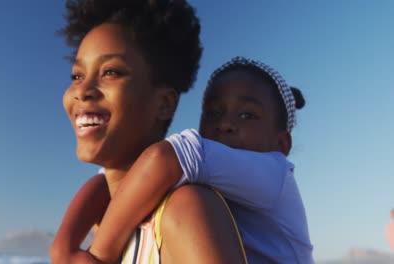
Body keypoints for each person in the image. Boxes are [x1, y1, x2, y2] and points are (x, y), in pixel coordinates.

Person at [53, 56, 314, 263]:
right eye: (212, 113)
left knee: (183, 201)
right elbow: (106, 183)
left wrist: (100, 255)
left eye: (246, 115)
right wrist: (63, 247)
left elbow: (163, 158)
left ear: (281, 144)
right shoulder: (207, 174)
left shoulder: (274, 172)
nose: (225, 124)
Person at [50, 0, 247, 263]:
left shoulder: (185, 210)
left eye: (110, 72)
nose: (82, 90)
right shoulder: (100, 219)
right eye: (77, 75)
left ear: (164, 104)